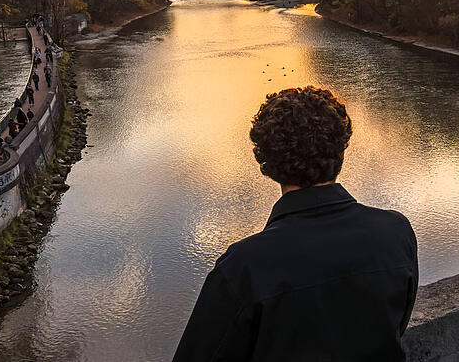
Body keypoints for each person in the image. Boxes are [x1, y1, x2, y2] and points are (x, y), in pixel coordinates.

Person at [172, 87, 418, 362]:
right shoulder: (396, 233)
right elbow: (395, 326)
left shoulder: (244, 266)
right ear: (341, 153)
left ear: (267, 162)